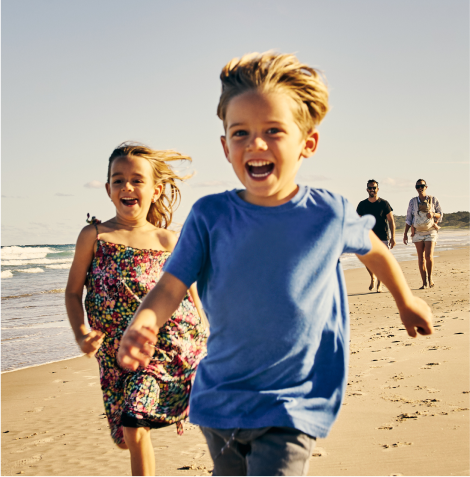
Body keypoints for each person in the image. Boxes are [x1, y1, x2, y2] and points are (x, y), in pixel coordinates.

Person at [117, 53, 433, 477]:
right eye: (241, 133)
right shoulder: (211, 216)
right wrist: (145, 322)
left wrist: (406, 300)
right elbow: (172, 284)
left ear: (308, 142)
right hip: (220, 400)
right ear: (226, 145)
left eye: (273, 131)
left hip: (293, 401)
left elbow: (375, 251)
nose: (256, 144)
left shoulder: (327, 212)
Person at [65, 143, 208, 477]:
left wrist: (205, 329)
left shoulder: (168, 241)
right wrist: (81, 333)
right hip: (115, 354)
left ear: (155, 190)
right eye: (118, 180)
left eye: (136, 180)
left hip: (167, 344)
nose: (127, 186)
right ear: (108, 190)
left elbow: (191, 294)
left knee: (133, 422)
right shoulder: (94, 235)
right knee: (126, 436)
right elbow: (73, 293)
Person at [356, 179, 396, 292]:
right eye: (370, 188)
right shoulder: (362, 204)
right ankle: (372, 277)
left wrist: (393, 237)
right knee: (367, 260)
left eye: (374, 188)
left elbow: (391, 221)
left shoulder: (384, 203)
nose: (372, 190)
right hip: (367, 237)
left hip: (383, 236)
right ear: (367, 189)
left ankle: (379, 284)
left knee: (382, 262)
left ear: (378, 189)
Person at [404, 179, 443, 289]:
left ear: (426, 187)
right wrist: (405, 234)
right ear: (416, 188)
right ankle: (424, 282)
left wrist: (433, 214)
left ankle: (430, 278)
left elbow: (440, 214)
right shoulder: (412, 201)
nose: (420, 188)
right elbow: (408, 218)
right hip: (417, 232)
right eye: (418, 186)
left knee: (428, 256)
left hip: (430, 231)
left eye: (422, 185)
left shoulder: (433, 199)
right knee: (421, 258)